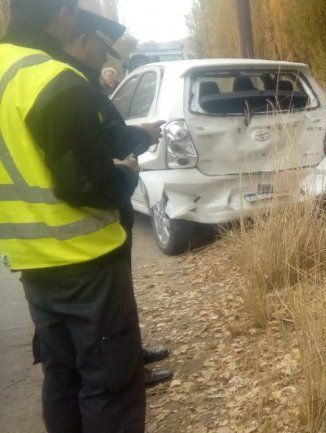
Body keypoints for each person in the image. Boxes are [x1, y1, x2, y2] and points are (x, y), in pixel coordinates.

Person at [0, 1, 143, 432]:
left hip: (31, 261)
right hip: (86, 260)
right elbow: (86, 184)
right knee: (109, 384)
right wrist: (127, 177)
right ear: (62, 14)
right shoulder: (52, 80)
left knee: (62, 377)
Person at [63, 8, 173, 388]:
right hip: (91, 221)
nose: (103, 55)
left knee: (121, 296)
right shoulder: (73, 88)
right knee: (108, 312)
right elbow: (110, 138)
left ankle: (133, 356)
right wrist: (142, 136)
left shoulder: (76, 84)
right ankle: (129, 372)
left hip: (94, 219)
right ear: (81, 40)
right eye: (99, 46)